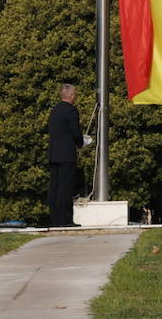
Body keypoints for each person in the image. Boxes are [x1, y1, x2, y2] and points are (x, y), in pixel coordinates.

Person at [47, 83, 91, 228]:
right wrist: (81, 142)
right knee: (65, 188)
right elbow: (75, 132)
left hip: (54, 153)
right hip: (67, 154)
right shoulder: (71, 111)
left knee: (54, 187)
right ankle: (65, 220)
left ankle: (55, 219)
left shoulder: (54, 110)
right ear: (71, 96)